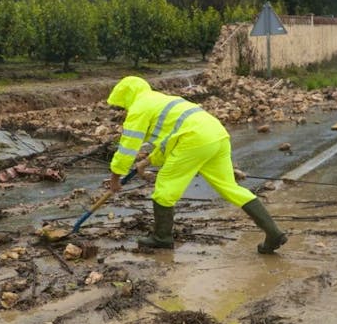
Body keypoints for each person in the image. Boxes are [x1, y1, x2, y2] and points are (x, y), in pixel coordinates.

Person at [105, 76, 287, 253]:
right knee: (230, 187)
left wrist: (115, 178)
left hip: (194, 140)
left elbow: (127, 149)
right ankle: (273, 233)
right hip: (217, 135)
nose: (123, 109)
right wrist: (147, 161)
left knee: (165, 188)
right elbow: (170, 139)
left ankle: (161, 238)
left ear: (127, 97)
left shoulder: (139, 108)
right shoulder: (161, 100)